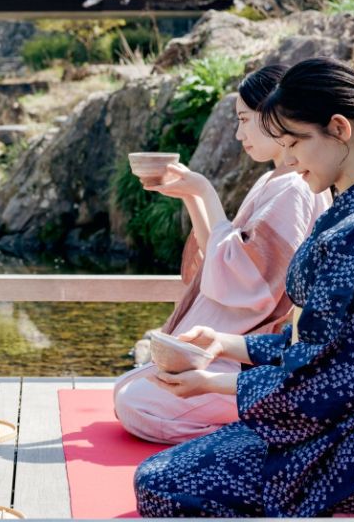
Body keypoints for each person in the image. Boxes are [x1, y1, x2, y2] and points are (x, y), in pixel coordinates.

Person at [133, 57, 354, 518]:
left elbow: (347, 377)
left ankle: (351, 511)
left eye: (294, 143)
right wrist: (225, 343)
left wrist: (214, 384)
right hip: (332, 430)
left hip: (351, 454)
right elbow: (315, 344)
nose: (288, 159)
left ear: (339, 128)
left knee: (159, 487)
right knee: (159, 472)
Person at [113, 64, 330, 444]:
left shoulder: (296, 189)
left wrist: (206, 192)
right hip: (234, 345)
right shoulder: (272, 180)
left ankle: (260, 429)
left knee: (136, 403)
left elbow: (244, 280)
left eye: (245, 120)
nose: (239, 134)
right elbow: (220, 257)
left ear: (277, 116)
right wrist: (192, 197)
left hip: (253, 352)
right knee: (127, 388)